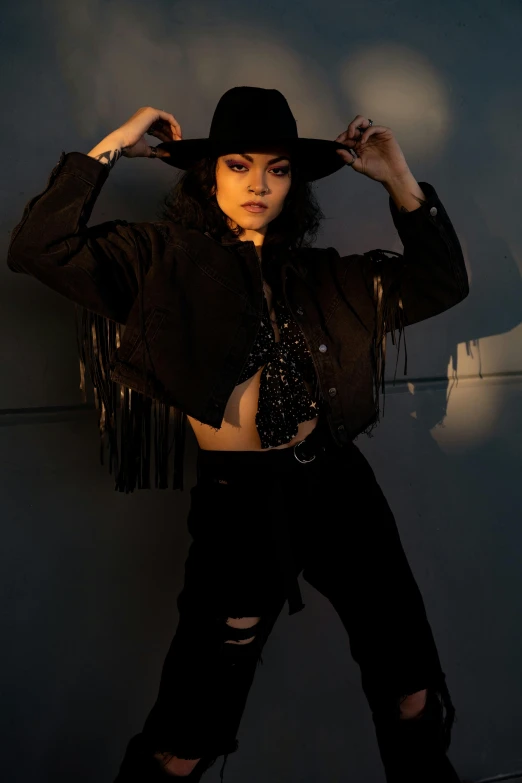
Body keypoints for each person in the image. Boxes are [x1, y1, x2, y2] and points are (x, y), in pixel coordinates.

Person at [7, 86, 469, 782]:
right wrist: (113, 143)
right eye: (238, 165)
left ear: (293, 181)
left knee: (412, 688)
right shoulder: (158, 262)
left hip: (341, 489)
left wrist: (398, 178)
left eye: (277, 168)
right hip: (243, 507)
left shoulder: (321, 275)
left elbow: (440, 282)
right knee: (188, 733)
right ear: (209, 173)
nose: (258, 183)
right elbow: (40, 246)